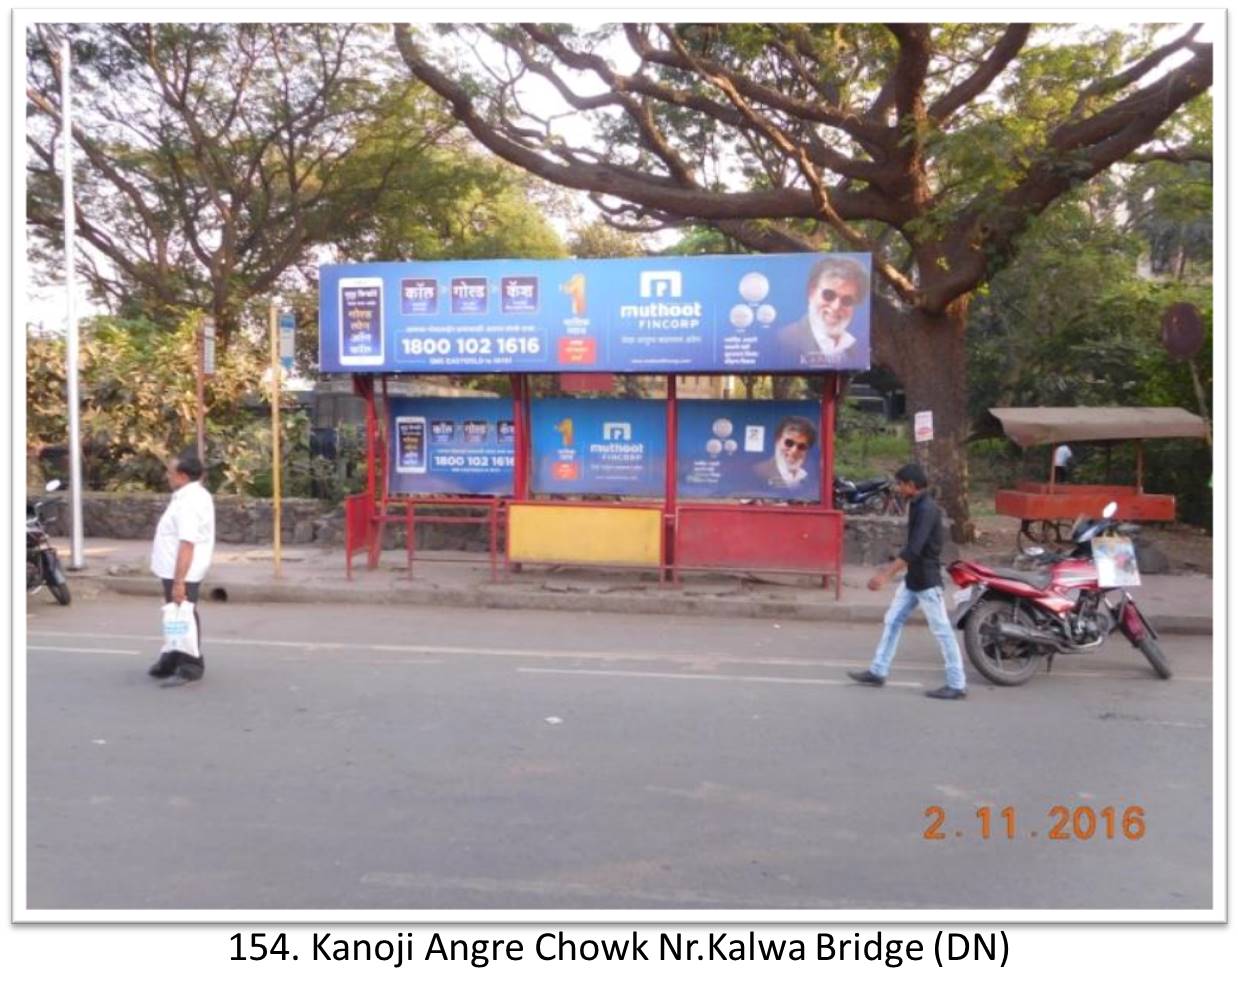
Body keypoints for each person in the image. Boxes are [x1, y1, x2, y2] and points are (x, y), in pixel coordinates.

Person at [848, 463, 967, 700]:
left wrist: (885, 575)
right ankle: (878, 671)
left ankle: (957, 684)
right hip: (913, 578)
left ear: (911, 485)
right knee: (892, 620)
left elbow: (913, 549)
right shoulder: (917, 504)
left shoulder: (927, 509)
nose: (898, 488)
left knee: (942, 631)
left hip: (927, 580)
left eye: (901, 484)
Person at [148, 450, 215, 688]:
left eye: (171, 472)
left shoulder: (190, 502)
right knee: (175, 613)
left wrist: (179, 582)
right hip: (173, 569)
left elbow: (187, 543)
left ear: (183, 476)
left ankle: (191, 664)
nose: (167, 476)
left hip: (183, 571)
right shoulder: (186, 496)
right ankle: (172, 657)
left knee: (184, 614)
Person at [776, 256, 869, 368]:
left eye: (847, 300)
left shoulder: (857, 349)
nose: (836, 307)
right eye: (828, 295)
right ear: (811, 293)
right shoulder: (783, 341)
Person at [751, 416, 816, 491]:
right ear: (777, 441)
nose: (794, 451)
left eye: (801, 446)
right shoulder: (757, 473)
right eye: (789, 443)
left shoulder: (807, 478)